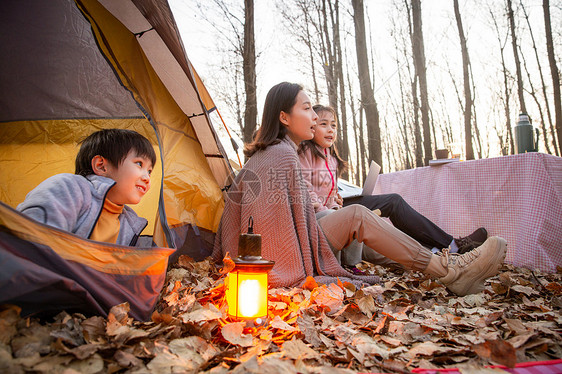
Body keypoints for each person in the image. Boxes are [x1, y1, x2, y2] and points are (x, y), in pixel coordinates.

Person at [213, 82, 507, 296]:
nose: (315, 117)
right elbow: (268, 227)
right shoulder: (280, 155)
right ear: (284, 117)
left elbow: (286, 215)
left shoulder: (278, 151)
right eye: (307, 109)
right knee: (358, 216)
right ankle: (451, 272)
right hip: (283, 254)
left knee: (368, 232)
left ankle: (452, 261)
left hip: (305, 233)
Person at [298, 104, 488, 257]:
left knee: (393, 201)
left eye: (334, 125)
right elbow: (306, 189)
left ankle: (442, 248)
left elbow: (329, 191)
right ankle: (448, 246)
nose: (330, 130)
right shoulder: (305, 152)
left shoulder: (331, 157)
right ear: (312, 126)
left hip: (336, 208)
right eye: (324, 124)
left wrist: (336, 199)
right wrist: (331, 209)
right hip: (325, 214)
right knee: (393, 202)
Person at [17, 128, 155, 246]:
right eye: (139, 164)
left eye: (149, 171)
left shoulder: (129, 223)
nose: (147, 178)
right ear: (101, 166)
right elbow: (32, 241)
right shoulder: (69, 188)